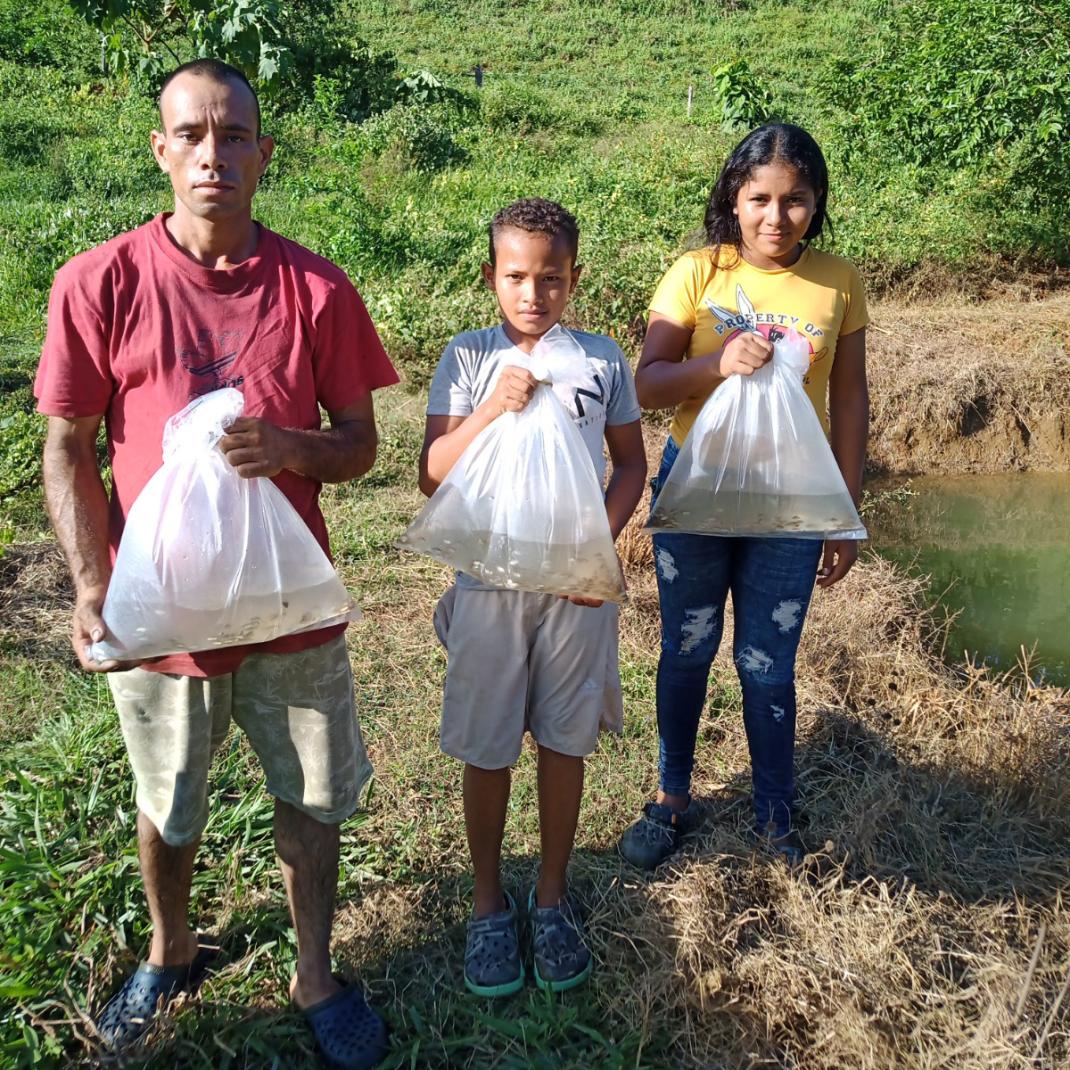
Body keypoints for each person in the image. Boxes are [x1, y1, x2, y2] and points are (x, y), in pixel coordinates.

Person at [35, 59, 398, 1069]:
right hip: (159, 608)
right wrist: (92, 580)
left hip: (289, 605)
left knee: (313, 795)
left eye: (233, 135)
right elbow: (66, 443)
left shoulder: (316, 287)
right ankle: (171, 945)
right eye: (191, 134)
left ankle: (315, 970)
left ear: (261, 154)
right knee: (170, 797)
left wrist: (292, 448)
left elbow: (361, 442)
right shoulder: (99, 281)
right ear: (160, 150)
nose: (212, 154)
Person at [617, 123, 869, 870]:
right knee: (687, 647)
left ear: (816, 204)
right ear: (735, 196)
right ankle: (670, 799)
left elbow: (850, 400)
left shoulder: (838, 282)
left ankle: (773, 813)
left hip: (790, 504)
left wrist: (846, 510)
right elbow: (649, 382)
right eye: (759, 198)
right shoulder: (697, 272)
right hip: (697, 492)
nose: (776, 216)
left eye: (795, 201)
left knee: (767, 664)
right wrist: (718, 364)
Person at [419, 198, 646, 995]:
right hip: (488, 585)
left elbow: (630, 467)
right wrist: (491, 406)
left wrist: (599, 550)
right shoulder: (469, 356)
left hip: (576, 592)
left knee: (564, 739)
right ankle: (489, 903)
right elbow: (433, 472)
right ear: (491, 276)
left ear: (574, 279)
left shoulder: (602, 360)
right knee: (488, 746)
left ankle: (550, 896)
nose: (533, 293)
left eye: (551, 278)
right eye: (516, 276)